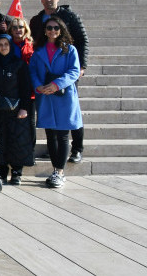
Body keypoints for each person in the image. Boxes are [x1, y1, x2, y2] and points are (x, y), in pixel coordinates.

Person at [29, 0, 88, 163]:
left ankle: (77, 148)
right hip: (46, 71)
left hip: (65, 70)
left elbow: (82, 39)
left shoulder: (69, 16)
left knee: (70, 112)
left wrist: (82, 66)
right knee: (51, 112)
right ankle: (53, 148)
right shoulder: (37, 19)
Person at [30, 17, 83, 188]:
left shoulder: (70, 50)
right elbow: (32, 71)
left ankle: (60, 172)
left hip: (64, 96)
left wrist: (56, 84)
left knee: (63, 135)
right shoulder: (38, 51)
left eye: (56, 28)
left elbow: (74, 71)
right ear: (44, 30)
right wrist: (39, 87)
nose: (52, 31)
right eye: (49, 28)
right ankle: (55, 170)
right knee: (50, 135)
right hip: (45, 96)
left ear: (61, 30)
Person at [0, 34, 33, 185]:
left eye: (6, 44)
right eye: (0, 44)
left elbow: (26, 88)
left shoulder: (19, 64)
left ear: (11, 45)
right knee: (1, 140)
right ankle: (1, 171)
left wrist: (24, 108)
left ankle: (16, 172)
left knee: (17, 140)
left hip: (16, 109)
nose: (3, 47)